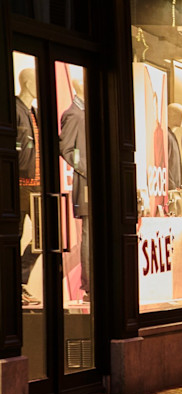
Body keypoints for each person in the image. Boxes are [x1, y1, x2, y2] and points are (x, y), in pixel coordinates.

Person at [59, 74, 91, 302]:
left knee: (93, 235)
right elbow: (67, 149)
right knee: (88, 236)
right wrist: (88, 169)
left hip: (92, 183)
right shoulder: (73, 114)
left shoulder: (84, 113)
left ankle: (94, 281)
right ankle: (89, 284)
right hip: (87, 185)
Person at [15, 67, 41, 305]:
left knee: (44, 236)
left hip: (38, 186)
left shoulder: (34, 112)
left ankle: (20, 281)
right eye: (35, 80)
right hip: (21, 184)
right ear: (26, 83)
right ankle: (15, 287)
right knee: (17, 234)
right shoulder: (16, 110)